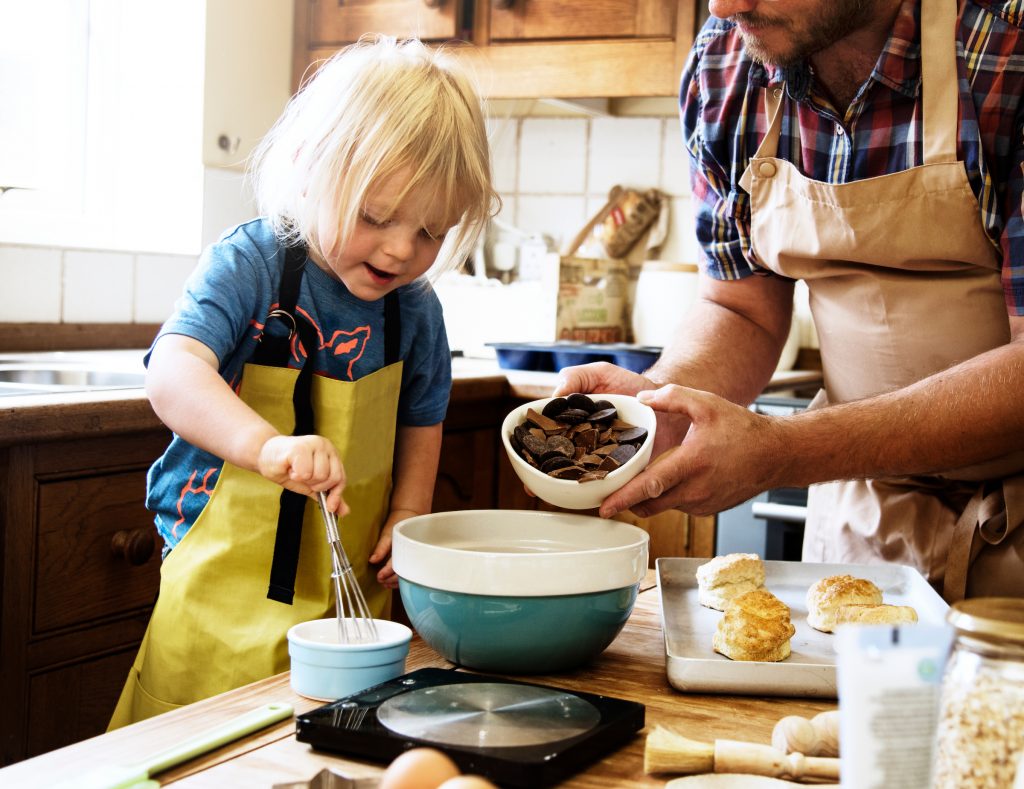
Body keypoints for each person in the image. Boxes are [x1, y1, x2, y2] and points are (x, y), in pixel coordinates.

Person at [556, 0, 1024, 603]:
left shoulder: (1005, 53)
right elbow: (741, 307)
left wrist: (783, 452)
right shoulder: (727, 60)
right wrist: (661, 405)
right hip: (866, 524)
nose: (725, 6)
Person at [109, 35, 498, 727]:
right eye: (375, 217)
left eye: (431, 231)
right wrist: (267, 447)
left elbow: (422, 420)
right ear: (308, 171)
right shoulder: (251, 265)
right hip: (218, 598)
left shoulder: (416, 309)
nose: (400, 250)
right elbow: (173, 375)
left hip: (346, 600)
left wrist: (408, 512)